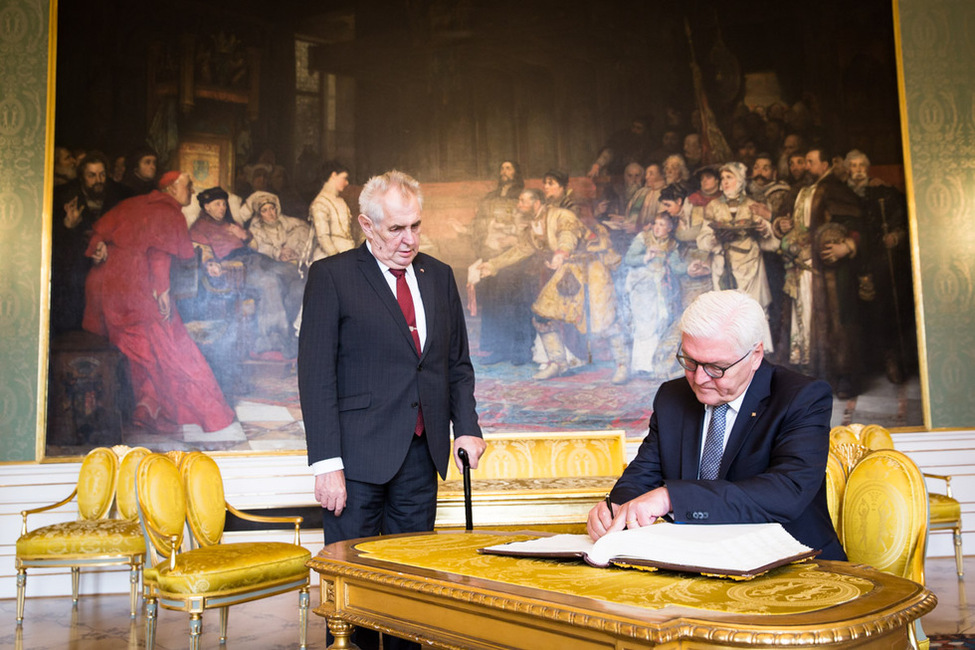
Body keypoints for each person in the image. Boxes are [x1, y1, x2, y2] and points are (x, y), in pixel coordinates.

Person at [298, 170, 485, 650]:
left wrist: (466, 428)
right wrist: (326, 465)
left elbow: (456, 364)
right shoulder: (332, 276)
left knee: (411, 583)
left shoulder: (439, 276)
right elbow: (315, 377)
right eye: (396, 229)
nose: (409, 240)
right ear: (366, 224)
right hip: (354, 461)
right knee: (352, 588)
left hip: (422, 455)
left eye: (416, 227)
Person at [587, 290, 845, 562]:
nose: (699, 378)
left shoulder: (801, 397)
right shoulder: (672, 397)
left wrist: (671, 498)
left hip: (794, 563)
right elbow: (643, 475)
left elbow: (786, 491)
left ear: (755, 355)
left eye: (716, 367)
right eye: (690, 361)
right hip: (697, 563)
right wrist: (616, 508)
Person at [82, 171, 237, 434]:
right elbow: (159, 256)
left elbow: (99, 233)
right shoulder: (170, 212)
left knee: (142, 346)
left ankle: (146, 406)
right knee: (168, 344)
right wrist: (163, 291)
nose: (190, 191)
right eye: (187, 187)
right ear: (171, 189)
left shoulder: (134, 203)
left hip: (106, 283)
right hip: (138, 285)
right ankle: (164, 407)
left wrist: (99, 247)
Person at [474, 189, 628, 384]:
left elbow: (568, 235)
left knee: (605, 319)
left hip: (591, 266)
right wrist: (493, 265)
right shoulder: (533, 227)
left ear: (536, 202)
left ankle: (622, 365)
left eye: (523, 201)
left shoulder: (561, 215)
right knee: (543, 314)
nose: (519, 205)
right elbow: (521, 249)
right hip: (569, 269)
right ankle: (558, 362)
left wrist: (561, 253)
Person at [775, 147, 864, 398]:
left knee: (837, 320)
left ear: (824, 165)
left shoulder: (835, 189)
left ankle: (842, 376)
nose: (806, 167)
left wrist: (847, 246)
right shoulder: (799, 190)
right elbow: (784, 220)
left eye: (811, 162)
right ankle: (807, 375)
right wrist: (781, 225)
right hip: (802, 267)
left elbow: (855, 222)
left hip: (830, 271)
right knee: (802, 320)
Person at [190, 187, 304, 358]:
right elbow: (204, 254)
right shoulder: (199, 228)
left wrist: (243, 235)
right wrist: (211, 264)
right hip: (233, 269)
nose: (222, 208)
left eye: (223, 204)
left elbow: (254, 247)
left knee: (293, 273)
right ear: (206, 207)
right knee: (270, 281)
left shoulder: (231, 223)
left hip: (255, 260)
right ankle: (271, 338)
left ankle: (288, 330)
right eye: (217, 204)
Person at [845, 149, 915, 384]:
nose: (857, 170)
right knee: (857, 316)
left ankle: (892, 361)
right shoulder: (841, 194)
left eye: (861, 165)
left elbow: (903, 218)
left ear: (867, 168)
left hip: (881, 263)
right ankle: (864, 367)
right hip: (851, 264)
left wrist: (895, 236)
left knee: (885, 312)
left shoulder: (883, 192)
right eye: (852, 166)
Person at [698, 162, 778, 349]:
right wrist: (715, 237)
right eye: (723, 178)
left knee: (752, 309)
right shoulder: (713, 206)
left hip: (751, 264)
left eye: (730, 177)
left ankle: (758, 353)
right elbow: (702, 238)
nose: (725, 182)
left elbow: (772, 242)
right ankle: (729, 353)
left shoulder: (753, 205)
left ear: (740, 180)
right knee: (726, 313)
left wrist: (763, 229)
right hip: (723, 265)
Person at [624, 212, 686, 377]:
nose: (657, 228)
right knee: (645, 323)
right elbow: (629, 259)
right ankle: (642, 365)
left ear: (669, 228)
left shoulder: (671, 244)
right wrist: (646, 256)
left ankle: (654, 365)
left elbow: (676, 266)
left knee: (660, 322)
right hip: (642, 286)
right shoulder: (643, 238)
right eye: (656, 224)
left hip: (660, 288)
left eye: (662, 225)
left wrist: (691, 268)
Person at [246, 190, 312, 268]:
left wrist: (294, 250)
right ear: (259, 215)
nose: (270, 213)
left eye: (272, 208)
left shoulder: (289, 222)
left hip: (296, 262)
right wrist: (278, 253)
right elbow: (259, 249)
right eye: (264, 210)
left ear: (276, 209)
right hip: (271, 267)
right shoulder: (255, 231)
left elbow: (307, 232)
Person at [309, 160, 357, 262]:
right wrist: (337, 259)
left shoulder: (340, 201)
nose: (347, 183)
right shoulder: (320, 202)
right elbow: (323, 237)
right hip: (330, 258)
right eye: (344, 178)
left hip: (347, 255)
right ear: (334, 175)